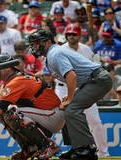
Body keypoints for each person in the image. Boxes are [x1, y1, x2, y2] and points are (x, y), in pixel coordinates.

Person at [28, 29, 112, 160]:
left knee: (72, 108)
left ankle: (87, 149)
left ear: (48, 42)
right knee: (68, 108)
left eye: (36, 43)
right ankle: (78, 148)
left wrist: (70, 98)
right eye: (33, 44)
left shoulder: (55, 53)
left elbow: (71, 75)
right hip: (91, 80)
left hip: (98, 79)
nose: (34, 46)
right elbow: (72, 76)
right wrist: (69, 97)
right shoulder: (53, 53)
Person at [0, 55, 64, 159]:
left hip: (53, 114)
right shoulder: (11, 80)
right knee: (4, 113)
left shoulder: (17, 80)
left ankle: (48, 146)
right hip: (45, 114)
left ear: (8, 68)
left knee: (11, 112)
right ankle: (29, 149)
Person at [59, 23, 110, 157]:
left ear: (79, 36)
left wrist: (96, 61)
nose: (71, 36)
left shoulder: (86, 49)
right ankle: (76, 149)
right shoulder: (61, 50)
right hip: (64, 89)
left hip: (84, 88)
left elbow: (94, 67)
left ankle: (104, 152)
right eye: (68, 34)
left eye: (73, 34)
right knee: (65, 119)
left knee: (95, 120)